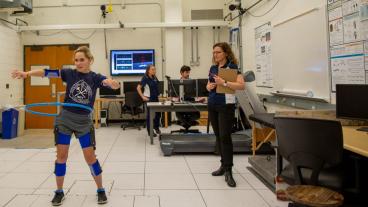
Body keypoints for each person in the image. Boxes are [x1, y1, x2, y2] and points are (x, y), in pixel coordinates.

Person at [11, 46, 120, 205]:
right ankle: (59, 191)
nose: (78, 63)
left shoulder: (95, 77)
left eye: (82, 59)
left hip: (84, 121)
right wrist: (27, 74)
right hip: (65, 120)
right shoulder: (69, 73)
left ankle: (100, 189)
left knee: (90, 157)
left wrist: (113, 83)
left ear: (90, 60)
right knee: (61, 157)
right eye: (76, 60)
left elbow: (107, 82)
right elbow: (47, 73)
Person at [206, 42, 245, 187]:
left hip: (226, 107)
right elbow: (209, 84)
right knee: (218, 137)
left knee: (225, 137)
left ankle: (229, 170)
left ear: (226, 53)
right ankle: (223, 166)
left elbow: (241, 85)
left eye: (218, 52)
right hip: (213, 104)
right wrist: (208, 86)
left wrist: (225, 82)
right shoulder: (213, 68)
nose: (215, 55)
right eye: (214, 52)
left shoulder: (232, 67)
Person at [137, 64, 161, 137]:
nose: (154, 71)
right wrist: (142, 97)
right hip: (149, 98)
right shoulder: (145, 78)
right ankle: (150, 131)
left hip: (155, 98)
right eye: (152, 69)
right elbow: (138, 88)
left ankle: (156, 127)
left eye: (155, 69)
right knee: (150, 115)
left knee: (158, 113)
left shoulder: (154, 77)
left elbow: (156, 86)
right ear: (148, 71)